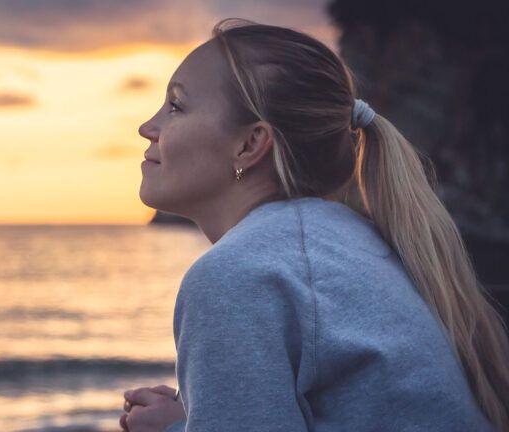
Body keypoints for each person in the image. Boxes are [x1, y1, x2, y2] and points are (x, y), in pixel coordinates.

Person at [120, 18, 509, 432]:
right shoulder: (351, 243)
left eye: (176, 106)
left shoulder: (237, 276)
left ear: (251, 144)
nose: (147, 128)